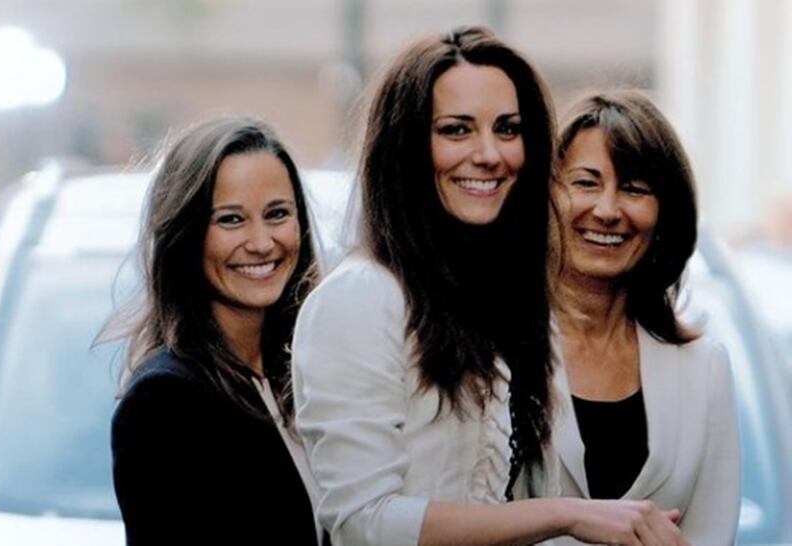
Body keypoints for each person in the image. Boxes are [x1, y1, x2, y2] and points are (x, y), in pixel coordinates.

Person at [292, 27, 688, 546]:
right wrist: (565, 515)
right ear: (406, 145)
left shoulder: (502, 297)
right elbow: (365, 523)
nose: (488, 154)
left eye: (507, 129)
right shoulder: (361, 299)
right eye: (456, 130)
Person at [106, 116, 322, 545]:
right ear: (184, 234)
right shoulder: (163, 401)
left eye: (277, 214)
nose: (261, 242)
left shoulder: (307, 371)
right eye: (231, 219)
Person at [549, 90, 740, 545]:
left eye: (635, 189)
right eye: (585, 183)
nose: (607, 210)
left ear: (665, 214)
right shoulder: (491, 350)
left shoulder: (703, 370)